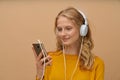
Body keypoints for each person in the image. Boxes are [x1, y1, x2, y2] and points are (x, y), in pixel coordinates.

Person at [32, 7, 104, 80]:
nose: (62, 34)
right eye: (60, 29)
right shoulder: (49, 59)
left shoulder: (96, 63)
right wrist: (40, 74)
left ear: (82, 30)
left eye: (68, 28)